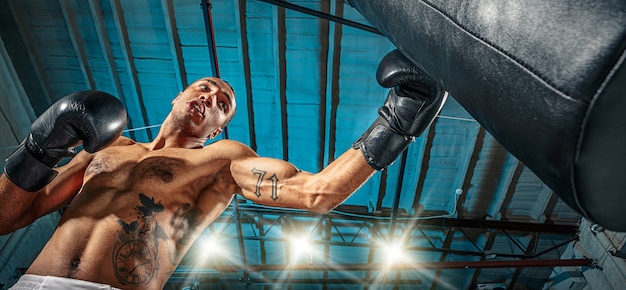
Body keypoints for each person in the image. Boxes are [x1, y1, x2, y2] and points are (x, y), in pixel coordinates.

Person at [0, 50, 447, 290]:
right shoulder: (108, 146)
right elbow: (9, 216)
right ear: (180, 95)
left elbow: (317, 194)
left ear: (216, 131)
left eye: (222, 104)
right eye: (205, 88)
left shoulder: (220, 160)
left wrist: (397, 121)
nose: (210, 97)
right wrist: (38, 149)